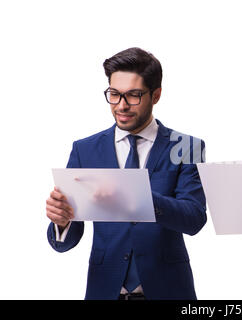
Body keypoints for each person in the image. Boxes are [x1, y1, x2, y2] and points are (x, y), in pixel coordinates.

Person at [46, 47, 207, 300]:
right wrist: (62, 222)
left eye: (133, 95)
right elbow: (64, 242)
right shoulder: (85, 150)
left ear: (156, 95)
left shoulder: (186, 147)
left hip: (169, 291)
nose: (121, 105)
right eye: (114, 94)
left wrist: (138, 197)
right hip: (104, 291)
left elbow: (194, 219)